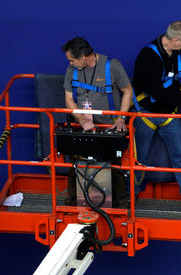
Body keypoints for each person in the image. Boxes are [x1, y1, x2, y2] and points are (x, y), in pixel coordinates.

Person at [132, 20, 181, 217]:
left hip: (169, 113)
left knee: (180, 155)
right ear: (174, 40)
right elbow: (157, 91)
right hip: (147, 113)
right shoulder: (148, 56)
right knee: (139, 159)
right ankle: (132, 195)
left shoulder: (177, 52)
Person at [61, 37, 133, 207]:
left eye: (72, 59)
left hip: (110, 125)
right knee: (75, 164)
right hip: (82, 125)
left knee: (114, 165)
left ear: (84, 56)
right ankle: (74, 203)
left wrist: (121, 118)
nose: (70, 63)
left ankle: (119, 204)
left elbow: (128, 92)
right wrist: (81, 119)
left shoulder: (112, 66)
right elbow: (69, 99)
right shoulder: (72, 70)